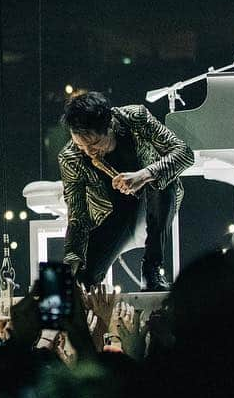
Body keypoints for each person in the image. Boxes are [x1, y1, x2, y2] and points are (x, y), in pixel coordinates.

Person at [57, 91, 194, 290]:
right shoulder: (70, 157)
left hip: (151, 207)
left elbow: (185, 153)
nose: (88, 151)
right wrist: (71, 261)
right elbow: (77, 216)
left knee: (164, 181)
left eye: (94, 144)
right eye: (80, 145)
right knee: (83, 281)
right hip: (110, 220)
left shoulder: (135, 117)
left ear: (110, 125)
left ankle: (152, 270)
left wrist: (144, 175)